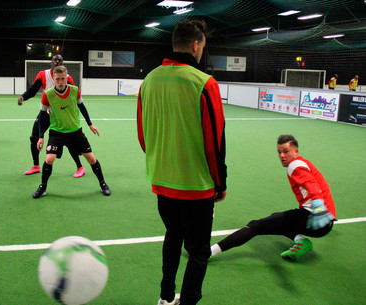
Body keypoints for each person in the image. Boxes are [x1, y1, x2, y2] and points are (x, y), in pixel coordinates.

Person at [137, 20, 227, 305]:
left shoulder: (149, 80)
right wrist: (220, 182)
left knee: (173, 235)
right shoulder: (203, 83)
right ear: (195, 45)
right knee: (199, 250)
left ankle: (165, 298)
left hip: (162, 180)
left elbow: (143, 135)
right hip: (195, 185)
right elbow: (216, 140)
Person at [210, 135, 336, 261]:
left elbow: (311, 185)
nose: (282, 155)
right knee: (278, 219)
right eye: (279, 152)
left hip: (315, 218)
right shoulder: (304, 163)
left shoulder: (295, 166)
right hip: (325, 222)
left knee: (255, 225)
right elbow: (321, 185)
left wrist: (319, 205)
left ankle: (209, 252)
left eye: (286, 151)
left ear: (296, 151)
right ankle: (301, 241)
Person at [32, 65, 111, 199]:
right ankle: (43, 187)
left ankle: (103, 183)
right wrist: (41, 136)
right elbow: (41, 117)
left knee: (91, 158)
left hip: (76, 132)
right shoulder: (48, 95)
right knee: (49, 159)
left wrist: (90, 124)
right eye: (58, 79)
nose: (61, 82)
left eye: (63, 79)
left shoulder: (75, 91)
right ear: (54, 79)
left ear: (67, 78)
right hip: (57, 132)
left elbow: (82, 107)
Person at [18, 54, 85, 177]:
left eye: (60, 60)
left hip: (61, 115)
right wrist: (23, 97)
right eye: (55, 60)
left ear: (63, 63)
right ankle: (36, 166)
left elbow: (73, 98)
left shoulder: (67, 78)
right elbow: (33, 90)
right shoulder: (43, 74)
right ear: (51, 63)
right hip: (46, 113)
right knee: (34, 137)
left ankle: (80, 167)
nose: (57, 62)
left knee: (69, 141)